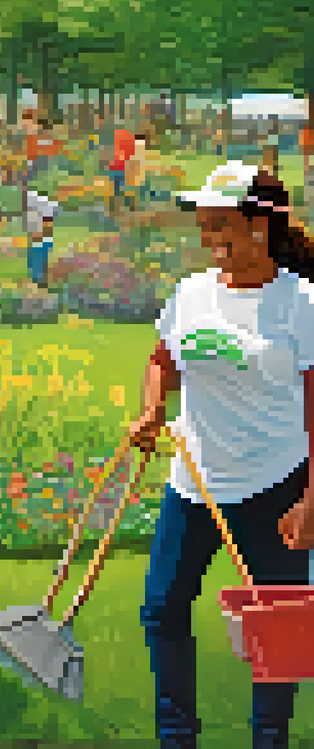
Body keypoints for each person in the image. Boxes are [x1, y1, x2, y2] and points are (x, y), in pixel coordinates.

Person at [128, 163, 314, 749]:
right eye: (205, 226)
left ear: (261, 226)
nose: (209, 238)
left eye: (221, 225)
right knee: (162, 609)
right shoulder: (191, 292)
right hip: (194, 485)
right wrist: (152, 411)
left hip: (276, 486)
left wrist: (311, 500)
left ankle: (270, 739)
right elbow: (162, 358)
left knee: (277, 628)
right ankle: (176, 737)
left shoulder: (301, 301)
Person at [25, 192, 58, 287]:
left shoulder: (39, 210)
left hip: (40, 241)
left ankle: (39, 279)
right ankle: (38, 279)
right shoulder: (38, 210)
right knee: (37, 258)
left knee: (38, 258)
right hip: (40, 241)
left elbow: (40, 228)